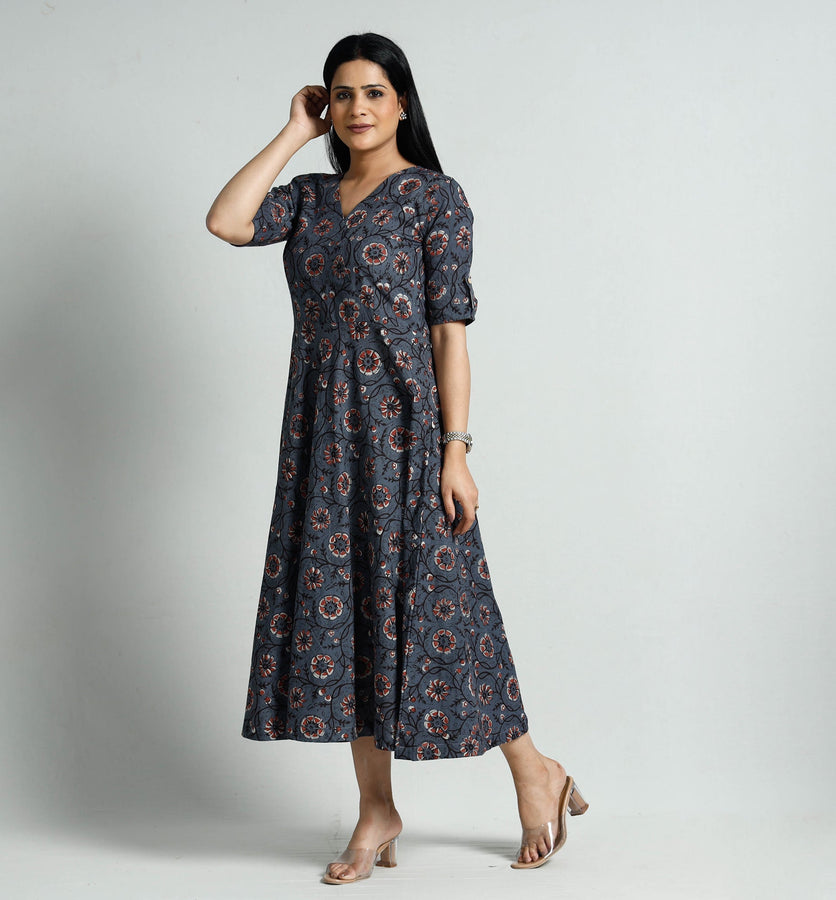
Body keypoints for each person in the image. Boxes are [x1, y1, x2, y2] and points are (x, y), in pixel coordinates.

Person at [206, 31, 588, 884]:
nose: (357, 108)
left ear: (403, 103)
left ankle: (535, 770)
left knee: (450, 606)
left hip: (409, 438)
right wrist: (293, 132)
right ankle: (376, 809)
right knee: (346, 615)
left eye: (373, 92)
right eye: (342, 94)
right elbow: (226, 222)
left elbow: (450, 334)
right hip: (320, 439)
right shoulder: (308, 198)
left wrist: (457, 450)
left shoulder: (434, 198)